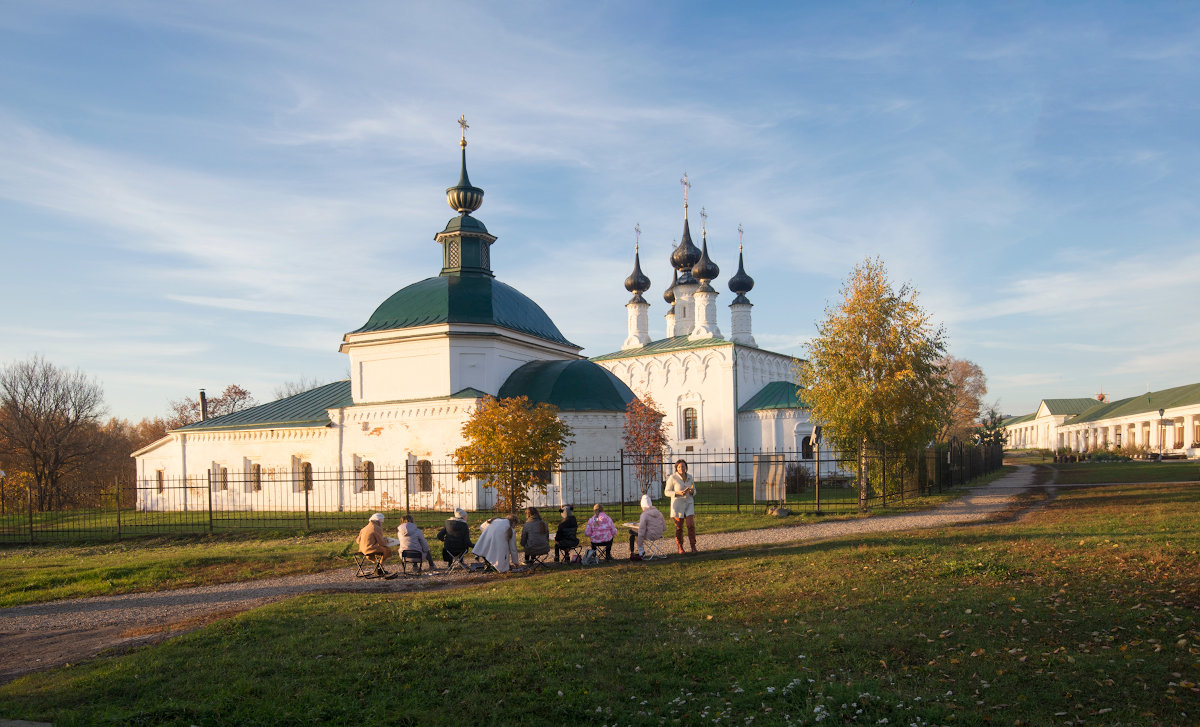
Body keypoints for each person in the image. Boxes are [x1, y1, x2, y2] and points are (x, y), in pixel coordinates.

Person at [663, 459, 698, 554]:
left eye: (683, 466)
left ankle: (693, 546)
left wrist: (692, 491)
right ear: (676, 468)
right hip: (678, 505)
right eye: (679, 467)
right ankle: (680, 547)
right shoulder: (672, 478)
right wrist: (677, 493)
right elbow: (666, 492)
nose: (681, 468)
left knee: (691, 525)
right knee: (679, 527)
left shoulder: (690, 477)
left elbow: (694, 491)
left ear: (686, 467)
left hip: (689, 504)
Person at [627, 494, 666, 561]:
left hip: (650, 535)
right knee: (637, 531)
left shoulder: (644, 515)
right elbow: (664, 527)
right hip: (659, 534)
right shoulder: (659, 513)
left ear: (643, 506)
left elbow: (641, 531)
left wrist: (639, 543)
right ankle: (636, 551)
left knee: (631, 531)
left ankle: (637, 551)